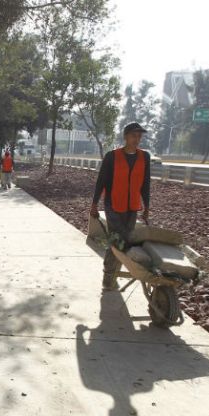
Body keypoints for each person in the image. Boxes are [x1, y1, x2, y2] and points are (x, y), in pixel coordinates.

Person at [90, 122, 151, 291]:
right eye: (133, 136)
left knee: (125, 240)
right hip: (113, 205)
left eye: (139, 136)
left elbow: (145, 184)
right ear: (125, 137)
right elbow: (101, 181)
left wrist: (147, 207)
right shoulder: (112, 156)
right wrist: (94, 204)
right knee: (118, 240)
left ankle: (113, 274)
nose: (136, 139)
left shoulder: (144, 157)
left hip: (132, 207)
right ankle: (108, 276)